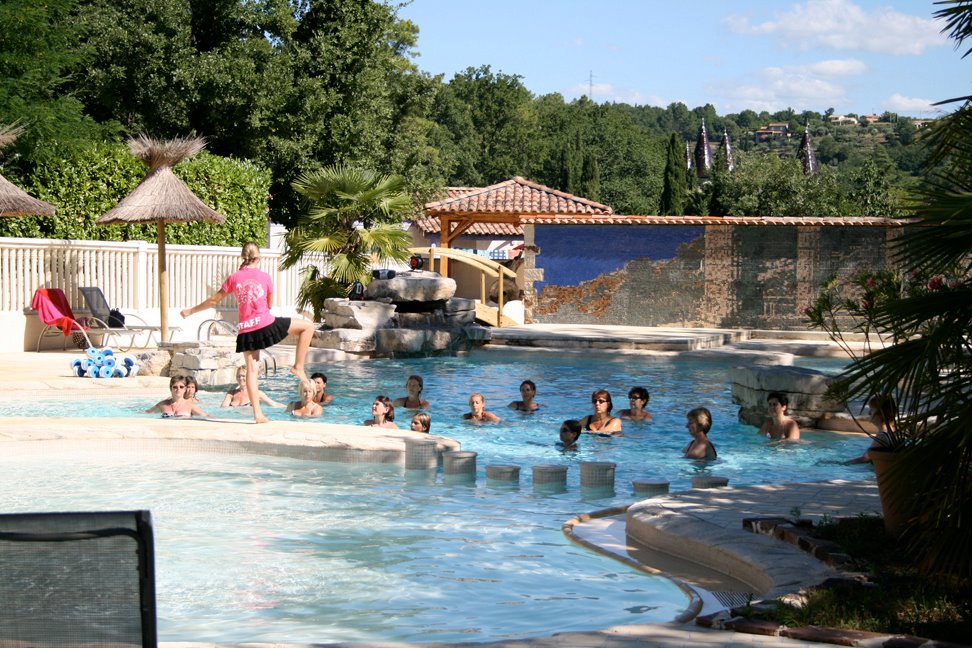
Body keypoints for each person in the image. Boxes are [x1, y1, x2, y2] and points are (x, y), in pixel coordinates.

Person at [180, 241, 316, 423]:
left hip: (246, 331)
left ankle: (258, 415)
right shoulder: (265, 277)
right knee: (308, 327)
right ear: (258, 257)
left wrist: (190, 311)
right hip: (266, 324)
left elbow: (214, 300)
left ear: (242, 257)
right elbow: (269, 304)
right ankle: (298, 366)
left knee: (252, 370)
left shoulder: (234, 278)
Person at [845, 396, 897, 464]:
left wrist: (840, 464)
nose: (869, 413)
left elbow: (865, 458)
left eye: (872, 409)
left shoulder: (883, 435)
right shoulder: (891, 430)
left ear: (882, 413)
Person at [146, 375, 210, 418]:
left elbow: (207, 416)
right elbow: (145, 414)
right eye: (175, 387)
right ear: (171, 388)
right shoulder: (163, 404)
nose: (178, 389)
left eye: (181, 387)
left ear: (185, 389)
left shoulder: (190, 406)